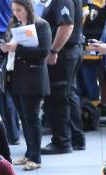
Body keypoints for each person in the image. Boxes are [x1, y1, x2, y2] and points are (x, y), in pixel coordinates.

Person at [1, 0, 51, 170]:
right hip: (15, 77)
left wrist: (17, 49)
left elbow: (44, 51)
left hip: (32, 78)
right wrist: (6, 47)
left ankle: (36, 157)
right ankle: (30, 152)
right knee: (24, 117)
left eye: (19, 10)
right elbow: (11, 47)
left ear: (28, 8)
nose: (16, 13)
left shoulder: (41, 25)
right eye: (14, 10)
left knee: (32, 117)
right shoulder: (14, 24)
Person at [39, 0, 84, 154]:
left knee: (58, 98)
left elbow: (66, 25)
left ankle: (62, 141)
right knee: (69, 95)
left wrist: (53, 50)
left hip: (63, 54)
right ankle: (76, 138)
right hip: (69, 52)